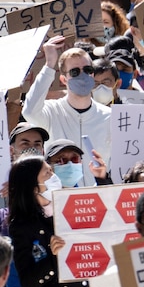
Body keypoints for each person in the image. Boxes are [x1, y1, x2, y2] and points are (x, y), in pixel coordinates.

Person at [7, 155, 91, 287]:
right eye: (47, 173)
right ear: (34, 187)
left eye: (52, 171)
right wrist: (54, 257)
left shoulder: (71, 206)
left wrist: (102, 179)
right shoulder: (22, 226)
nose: (54, 177)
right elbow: (28, 282)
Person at [22, 38, 111, 181]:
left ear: (93, 74)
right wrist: (49, 65)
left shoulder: (109, 116)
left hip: (98, 197)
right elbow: (29, 111)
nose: (82, 75)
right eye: (75, 72)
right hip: (60, 197)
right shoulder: (52, 111)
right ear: (64, 80)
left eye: (87, 70)